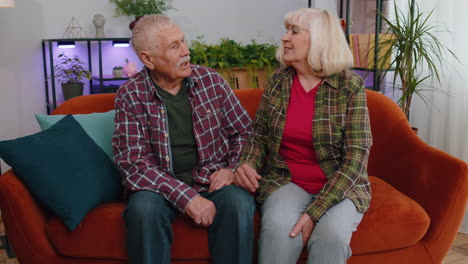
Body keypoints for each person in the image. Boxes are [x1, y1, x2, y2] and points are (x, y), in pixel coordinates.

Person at [112, 14, 255, 264]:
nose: (186, 52)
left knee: (238, 204)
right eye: (174, 46)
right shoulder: (130, 95)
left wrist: (232, 170)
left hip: (211, 178)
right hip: (158, 185)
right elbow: (133, 164)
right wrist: (186, 197)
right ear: (148, 59)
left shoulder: (211, 81)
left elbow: (244, 133)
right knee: (143, 210)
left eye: (183, 41)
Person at [234, 8, 372, 264]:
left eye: (294, 31)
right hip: (286, 179)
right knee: (279, 232)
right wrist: (248, 163)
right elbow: (259, 136)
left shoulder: (349, 86)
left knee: (331, 238)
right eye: (286, 31)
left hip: (339, 184)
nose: (285, 38)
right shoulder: (279, 81)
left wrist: (313, 213)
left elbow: (356, 159)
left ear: (319, 39)